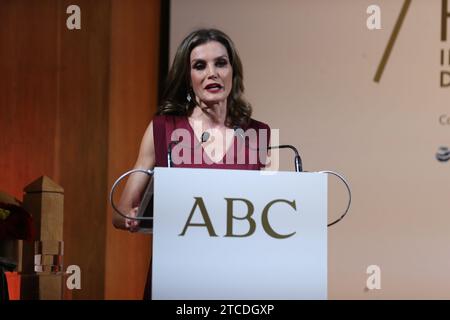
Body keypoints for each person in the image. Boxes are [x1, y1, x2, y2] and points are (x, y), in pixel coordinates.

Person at [112, 28, 271, 299]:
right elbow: (121, 213)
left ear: (234, 71)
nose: (212, 73)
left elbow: (269, 216)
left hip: (238, 280)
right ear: (188, 78)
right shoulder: (161, 129)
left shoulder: (259, 133)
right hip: (176, 278)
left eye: (221, 63)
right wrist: (135, 218)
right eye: (200, 66)